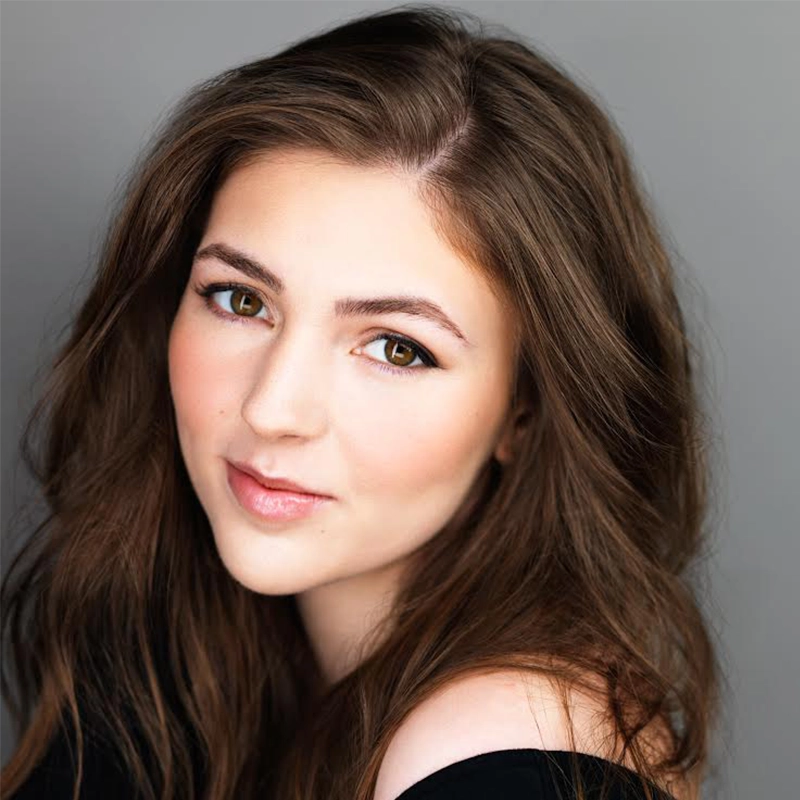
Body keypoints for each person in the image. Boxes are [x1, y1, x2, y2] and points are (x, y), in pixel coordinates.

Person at [1, 5, 722, 799]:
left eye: (396, 348)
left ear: (523, 413)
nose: (273, 408)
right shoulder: (177, 647)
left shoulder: (516, 757)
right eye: (241, 300)